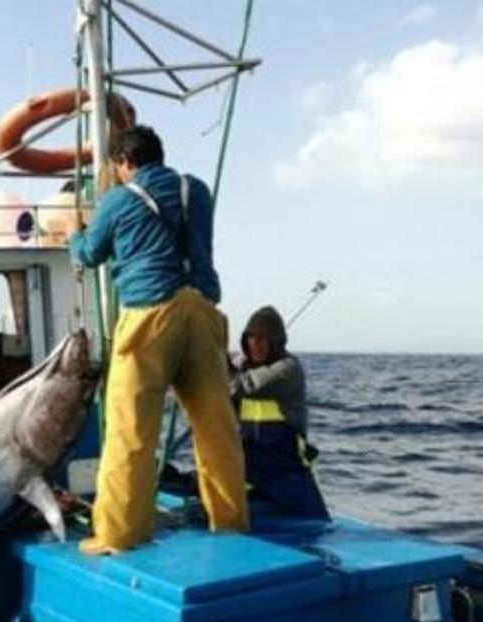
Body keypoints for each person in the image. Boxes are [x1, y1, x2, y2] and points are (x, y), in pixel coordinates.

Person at [67, 124, 248, 554]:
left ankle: (118, 535)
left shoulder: (117, 200)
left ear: (123, 162)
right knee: (216, 427)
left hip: (148, 315)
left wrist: (75, 232)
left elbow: (89, 254)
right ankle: (231, 524)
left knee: (131, 431)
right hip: (202, 311)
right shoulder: (195, 190)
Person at [230, 306, 330, 520]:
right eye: (251, 338)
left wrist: (221, 367)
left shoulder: (289, 369)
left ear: (275, 341)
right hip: (249, 467)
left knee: (313, 523)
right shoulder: (242, 368)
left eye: (262, 339)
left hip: (286, 471)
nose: (255, 344)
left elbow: (247, 387)